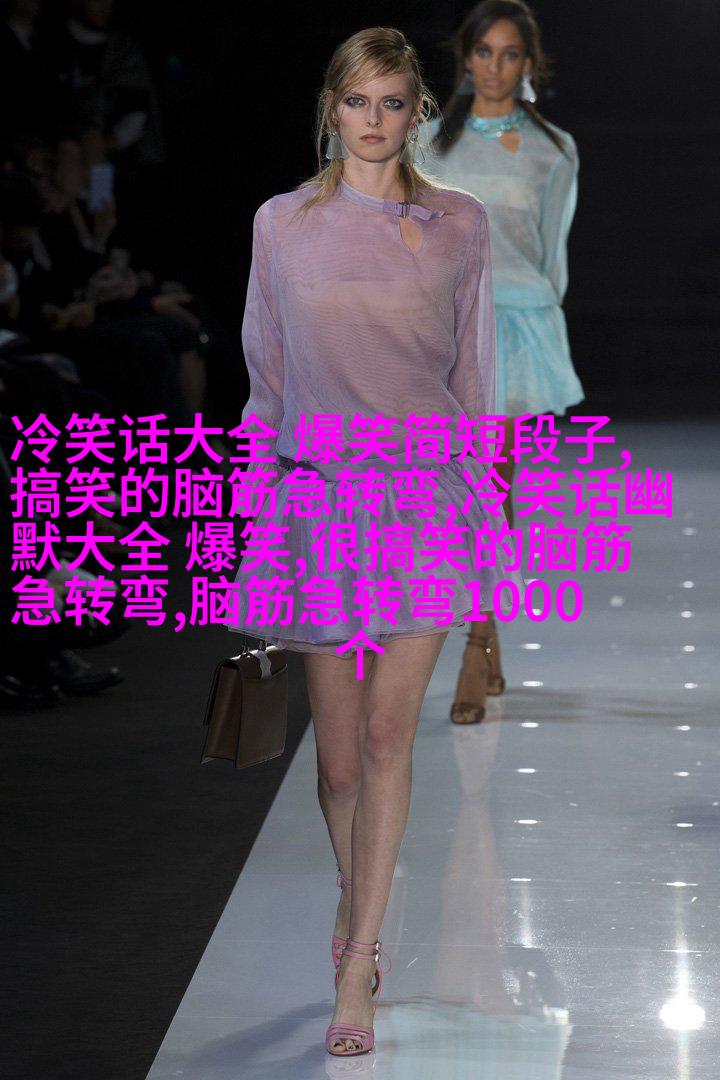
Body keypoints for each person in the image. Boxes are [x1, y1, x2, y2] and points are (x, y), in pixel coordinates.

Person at [230, 26, 525, 1057]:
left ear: (416, 113)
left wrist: (490, 508)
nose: (373, 119)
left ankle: (357, 961)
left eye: (393, 102)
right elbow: (266, 377)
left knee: (392, 741)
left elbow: (475, 378)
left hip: (427, 505)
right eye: (357, 101)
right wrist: (253, 516)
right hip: (316, 505)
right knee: (342, 764)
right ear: (331, 108)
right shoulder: (283, 224)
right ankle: (358, 906)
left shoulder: (459, 225)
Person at [425, 0, 585, 724]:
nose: (495, 66)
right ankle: (482, 635)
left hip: (512, 329)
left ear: (529, 63)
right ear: (465, 58)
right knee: (440, 497)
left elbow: (553, 254)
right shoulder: (427, 142)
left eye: (509, 53)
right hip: (438, 330)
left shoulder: (556, 149)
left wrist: (537, 319)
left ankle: (474, 642)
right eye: (484, 51)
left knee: (488, 491)